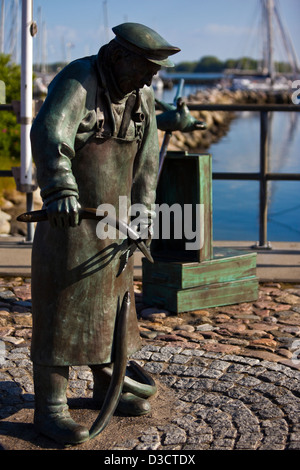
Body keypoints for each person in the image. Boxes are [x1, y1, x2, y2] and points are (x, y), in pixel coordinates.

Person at [29, 22, 180, 445]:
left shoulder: (142, 98)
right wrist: (59, 187)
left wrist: (144, 217)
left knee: (112, 315)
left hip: (117, 228)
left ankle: (107, 386)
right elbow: (48, 133)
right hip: (70, 225)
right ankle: (51, 408)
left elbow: (147, 166)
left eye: (155, 71)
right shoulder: (79, 79)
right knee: (62, 315)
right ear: (118, 56)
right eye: (145, 67)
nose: (151, 78)